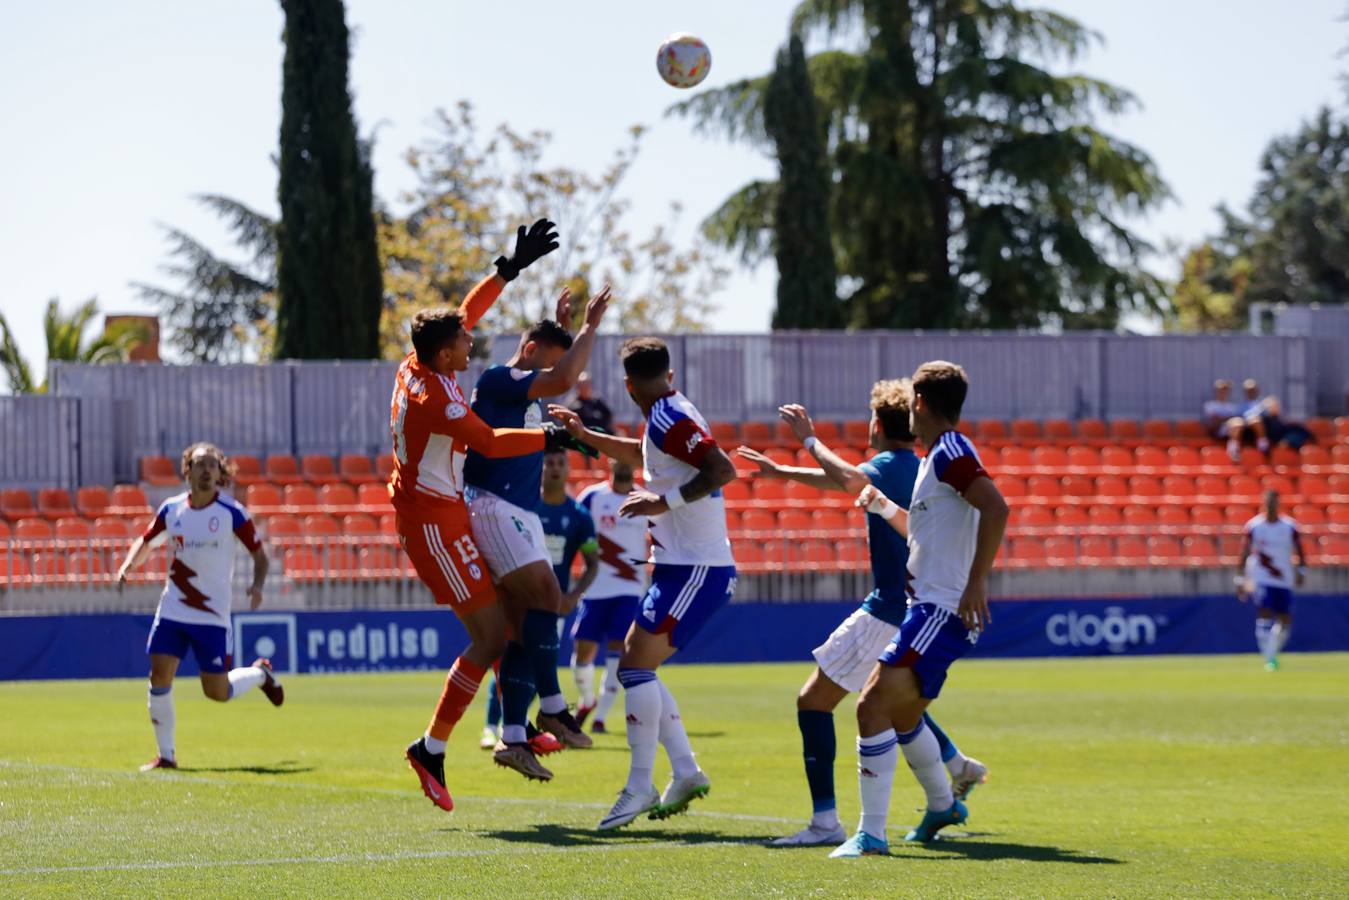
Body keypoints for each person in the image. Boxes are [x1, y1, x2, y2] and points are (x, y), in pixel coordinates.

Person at [736, 380, 986, 847]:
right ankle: (949, 784)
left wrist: (806, 443)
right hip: (911, 606)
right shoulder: (921, 464)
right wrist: (785, 472)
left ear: (879, 423)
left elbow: (849, 478)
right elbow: (852, 481)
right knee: (898, 710)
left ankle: (833, 823)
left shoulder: (905, 461)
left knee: (824, 703)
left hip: (893, 610)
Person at [395, 219, 587, 813]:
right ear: (445, 353)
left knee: (510, 625)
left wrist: (508, 268)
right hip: (434, 520)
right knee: (490, 637)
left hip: (445, 509)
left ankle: (514, 731)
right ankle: (433, 747)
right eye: (464, 342)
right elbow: (492, 441)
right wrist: (551, 435)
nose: (471, 343)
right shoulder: (439, 396)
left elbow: (464, 311)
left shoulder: (419, 363)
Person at [548, 336, 738, 830]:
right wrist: (587, 435)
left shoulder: (671, 417)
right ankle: (685, 772)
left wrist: (662, 504)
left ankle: (641, 784)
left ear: (629, 386)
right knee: (637, 666)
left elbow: (722, 470)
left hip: (697, 567)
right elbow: (644, 455)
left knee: (634, 669)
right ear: (668, 376)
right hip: (680, 566)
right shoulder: (666, 414)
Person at [831, 361, 1008, 858]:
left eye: (911, 400)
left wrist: (977, 582)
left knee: (871, 706)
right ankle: (941, 804)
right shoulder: (939, 457)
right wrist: (885, 509)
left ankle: (870, 835)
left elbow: (996, 507)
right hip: (929, 608)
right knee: (905, 718)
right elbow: (926, 534)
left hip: (941, 610)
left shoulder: (950, 450)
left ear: (921, 404)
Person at [463, 283, 611, 781]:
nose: (557, 378)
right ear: (529, 352)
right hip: (494, 506)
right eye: (545, 359)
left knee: (525, 627)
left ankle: (514, 738)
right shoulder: (501, 377)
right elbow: (564, 374)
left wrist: (564, 331)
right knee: (550, 594)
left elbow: (556, 369)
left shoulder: (522, 382)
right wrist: (590, 326)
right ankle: (551, 707)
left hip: (514, 511)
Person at [115, 442, 281, 772]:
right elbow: (147, 541)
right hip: (174, 609)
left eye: (212, 465)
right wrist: (129, 566)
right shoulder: (172, 509)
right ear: (187, 471)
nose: (206, 470)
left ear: (220, 473)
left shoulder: (232, 513)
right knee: (159, 673)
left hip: (212, 617)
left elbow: (260, 557)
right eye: (199, 464)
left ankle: (260, 674)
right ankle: (167, 755)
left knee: (216, 692)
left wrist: (258, 585)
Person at [480, 448, 600, 749]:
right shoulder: (524, 506)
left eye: (561, 463)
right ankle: (492, 726)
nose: (555, 468)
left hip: (552, 607)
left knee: (534, 667)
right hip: (518, 599)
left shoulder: (578, 516)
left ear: (569, 469)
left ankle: (516, 729)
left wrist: (573, 596)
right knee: (511, 656)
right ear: (541, 467)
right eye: (549, 463)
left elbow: (593, 562)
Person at [573, 457, 649, 733]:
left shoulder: (645, 500)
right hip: (594, 587)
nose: (624, 463)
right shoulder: (592, 497)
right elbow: (574, 530)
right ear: (610, 461)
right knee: (582, 651)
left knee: (618, 649)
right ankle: (587, 700)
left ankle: (601, 716)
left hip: (630, 588)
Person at [1237, 490, 1307, 671]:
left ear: (1278, 503)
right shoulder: (1254, 526)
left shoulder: (1289, 527)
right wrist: (1240, 579)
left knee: (1285, 620)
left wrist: (1301, 570)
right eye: (1268, 502)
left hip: (1283, 579)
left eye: (1274, 502)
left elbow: (1300, 551)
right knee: (1265, 613)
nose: (1270, 505)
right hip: (1262, 578)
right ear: (1263, 503)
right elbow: (1244, 553)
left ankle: (1272, 652)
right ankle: (1269, 658)